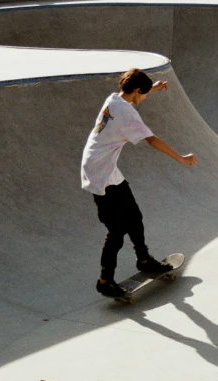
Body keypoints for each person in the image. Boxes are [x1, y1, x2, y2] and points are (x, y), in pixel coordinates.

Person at [81, 68, 198, 297]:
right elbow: (152, 140)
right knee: (116, 230)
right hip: (99, 174)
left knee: (134, 216)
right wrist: (181, 158)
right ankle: (105, 281)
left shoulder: (115, 99)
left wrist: (152, 88)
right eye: (143, 94)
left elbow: (132, 98)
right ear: (136, 91)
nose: (143, 99)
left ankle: (144, 260)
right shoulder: (126, 114)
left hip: (105, 167)